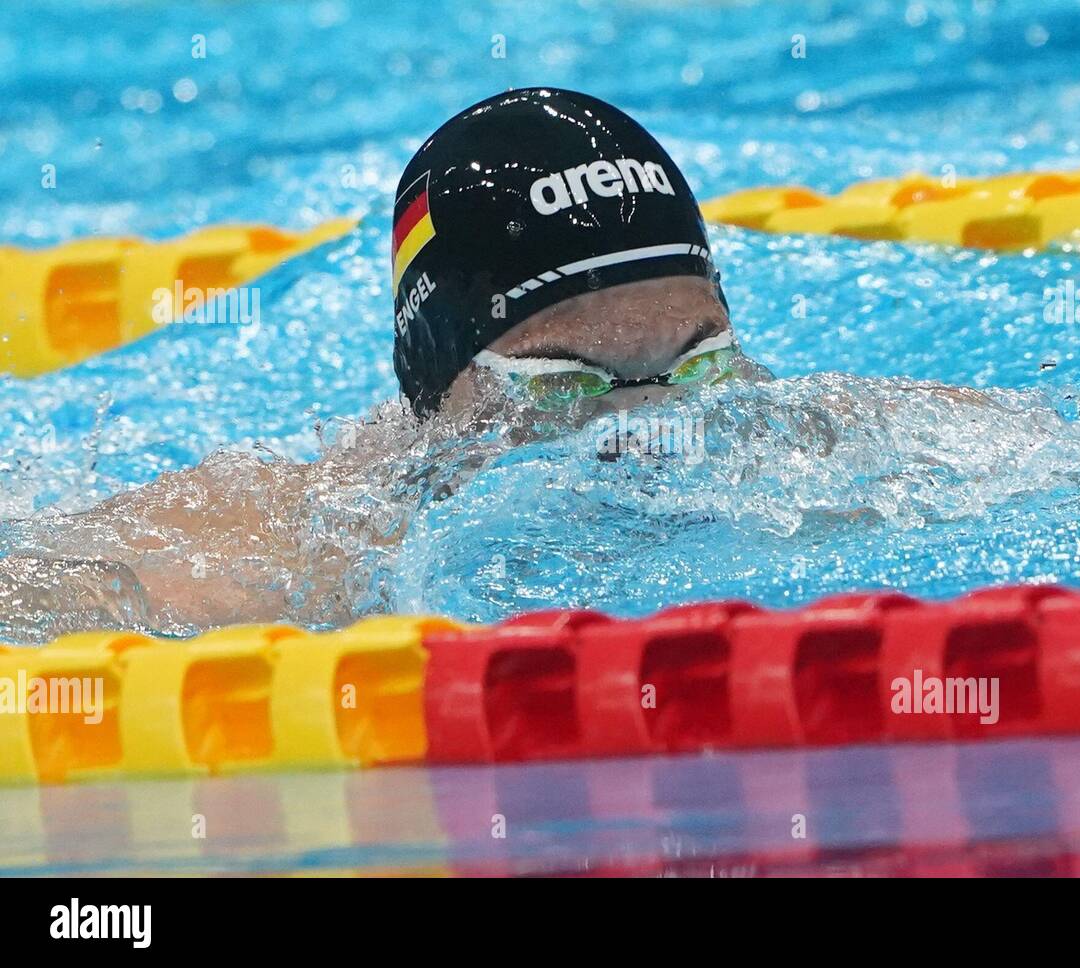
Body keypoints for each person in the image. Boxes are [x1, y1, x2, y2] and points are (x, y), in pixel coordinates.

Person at [0, 89, 766, 637]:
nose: (645, 428)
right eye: (564, 386)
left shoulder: (814, 449)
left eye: (700, 365)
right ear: (436, 388)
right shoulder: (298, 554)